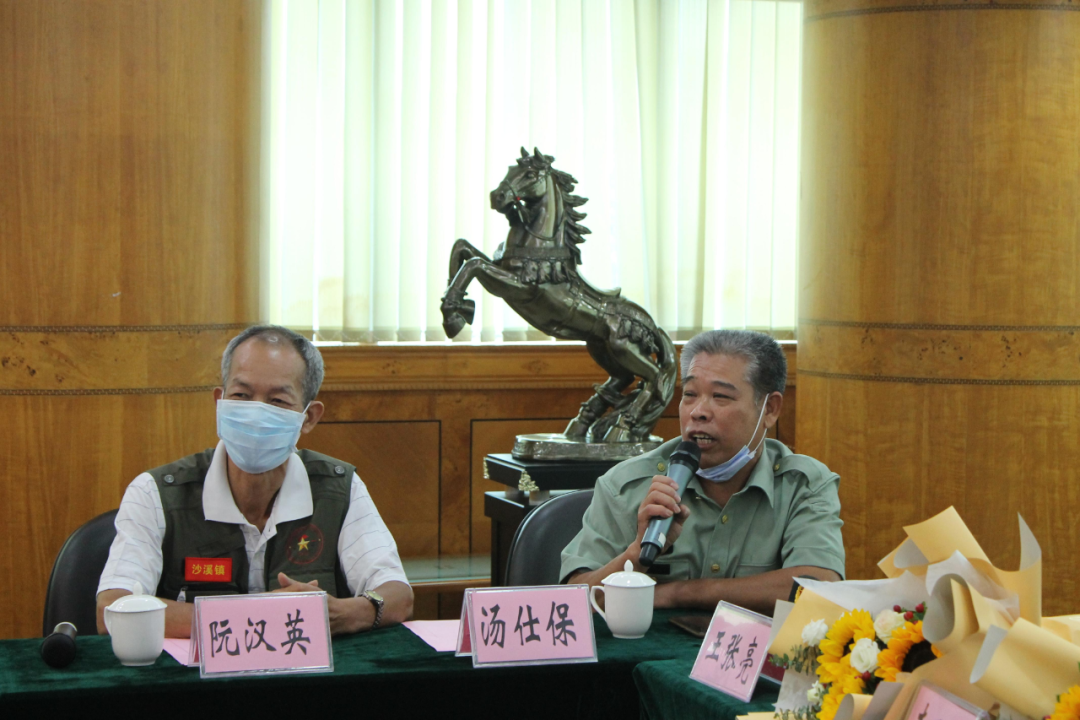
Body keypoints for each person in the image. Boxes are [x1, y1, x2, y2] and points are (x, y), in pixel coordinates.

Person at [96, 325, 413, 637]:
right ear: (219, 402)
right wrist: (260, 615)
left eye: (277, 401)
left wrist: (340, 613)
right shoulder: (154, 492)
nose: (256, 413)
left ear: (309, 417)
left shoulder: (340, 488)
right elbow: (112, 608)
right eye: (241, 395)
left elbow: (397, 596)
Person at [561, 329, 844, 616]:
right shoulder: (626, 484)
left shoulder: (804, 485)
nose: (698, 412)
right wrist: (636, 553)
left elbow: (819, 588)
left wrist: (681, 593)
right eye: (690, 394)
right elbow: (573, 603)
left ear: (769, 409)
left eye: (720, 396)